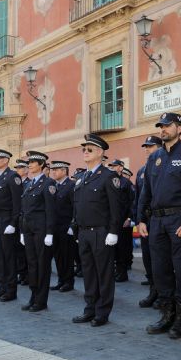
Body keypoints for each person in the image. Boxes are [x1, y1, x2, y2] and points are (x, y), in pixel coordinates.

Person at [138, 112, 181, 339]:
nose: (163, 129)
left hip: (179, 221)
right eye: (161, 126)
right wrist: (142, 219)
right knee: (160, 270)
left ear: (180, 128)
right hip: (156, 222)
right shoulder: (154, 158)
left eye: (167, 126)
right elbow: (145, 191)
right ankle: (166, 316)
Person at [71, 134, 121, 327]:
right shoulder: (82, 178)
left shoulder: (109, 177)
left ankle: (102, 312)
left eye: (89, 149)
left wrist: (114, 231)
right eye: (83, 149)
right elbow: (77, 206)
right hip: (84, 233)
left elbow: (116, 207)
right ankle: (89, 308)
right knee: (89, 273)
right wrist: (76, 230)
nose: (85, 152)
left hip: (101, 232)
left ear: (100, 153)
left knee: (104, 274)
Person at [19, 151, 56, 312]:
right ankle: (33, 296)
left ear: (41, 164)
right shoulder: (28, 184)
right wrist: (22, 230)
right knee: (32, 264)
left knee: (42, 265)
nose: (30, 164)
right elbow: (24, 209)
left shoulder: (48, 184)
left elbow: (51, 210)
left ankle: (41, 300)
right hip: (28, 230)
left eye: (33, 162)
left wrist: (49, 232)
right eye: (29, 162)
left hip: (41, 230)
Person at [0, 148, 22, 302]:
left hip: (7, 222)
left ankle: (11, 290)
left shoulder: (12, 176)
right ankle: (2, 287)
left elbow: (17, 202)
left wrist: (13, 223)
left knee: (9, 257)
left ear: (5, 160)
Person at [135, 136, 162, 308]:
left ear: (160, 148)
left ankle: (164, 294)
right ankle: (153, 290)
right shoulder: (141, 171)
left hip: (160, 218)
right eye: (145, 147)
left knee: (161, 259)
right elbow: (139, 198)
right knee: (148, 258)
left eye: (151, 146)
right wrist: (138, 219)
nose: (147, 149)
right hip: (146, 221)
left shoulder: (164, 167)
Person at [108, 159, 135, 283]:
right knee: (114, 249)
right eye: (111, 166)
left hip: (123, 220)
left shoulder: (126, 183)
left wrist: (129, 218)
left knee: (122, 248)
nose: (112, 168)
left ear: (121, 168)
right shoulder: (110, 181)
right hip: (112, 220)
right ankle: (117, 271)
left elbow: (132, 202)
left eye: (115, 166)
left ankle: (123, 273)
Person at [50, 160, 75, 292]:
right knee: (58, 255)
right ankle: (61, 280)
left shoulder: (71, 185)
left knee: (67, 255)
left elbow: (75, 207)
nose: (53, 172)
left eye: (56, 169)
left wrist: (73, 224)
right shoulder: (54, 186)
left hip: (66, 227)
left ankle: (68, 281)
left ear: (64, 171)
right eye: (52, 169)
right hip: (55, 227)